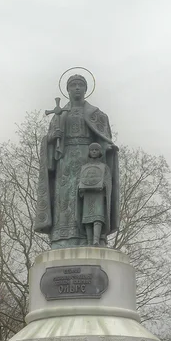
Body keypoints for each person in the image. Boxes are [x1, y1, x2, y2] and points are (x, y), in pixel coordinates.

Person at [34, 74, 119, 248]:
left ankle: (92, 238)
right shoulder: (59, 114)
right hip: (64, 163)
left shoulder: (96, 114)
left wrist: (106, 149)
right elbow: (49, 140)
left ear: (86, 89)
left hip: (89, 164)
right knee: (64, 199)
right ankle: (63, 237)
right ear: (68, 90)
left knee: (90, 199)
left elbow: (104, 139)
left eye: (81, 85)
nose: (77, 88)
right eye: (73, 85)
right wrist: (51, 138)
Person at [77, 143, 112, 246]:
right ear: (89, 152)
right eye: (92, 150)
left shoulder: (104, 167)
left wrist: (104, 186)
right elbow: (80, 180)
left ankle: (96, 240)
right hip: (88, 195)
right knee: (87, 219)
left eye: (96, 150)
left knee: (97, 218)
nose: (94, 152)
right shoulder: (84, 167)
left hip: (98, 195)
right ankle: (89, 241)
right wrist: (80, 188)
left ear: (100, 152)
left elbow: (108, 181)